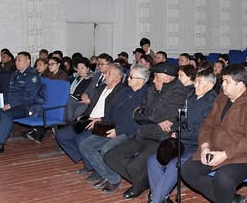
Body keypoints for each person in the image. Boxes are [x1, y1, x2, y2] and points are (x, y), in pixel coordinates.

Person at [181, 64, 247, 203]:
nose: (222, 85)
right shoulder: (221, 99)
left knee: (223, 177)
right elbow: (207, 125)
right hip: (217, 149)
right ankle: (231, 199)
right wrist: (205, 146)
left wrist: (225, 154)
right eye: (222, 81)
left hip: (246, 156)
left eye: (227, 82)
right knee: (188, 170)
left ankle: (226, 198)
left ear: (240, 84)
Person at [104, 61, 187, 199]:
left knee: (133, 166)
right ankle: (144, 182)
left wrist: (150, 115)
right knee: (110, 157)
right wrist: (155, 118)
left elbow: (154, 114)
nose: (153, 80)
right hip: (142, 134)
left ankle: (138, 186)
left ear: (167, 78)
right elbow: (136, 114)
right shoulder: (153, 88)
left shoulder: (178, 92)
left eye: (156, 76)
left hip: (160, 138)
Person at [147, 68, 217, 203]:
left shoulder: (213, 103)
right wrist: (174, 130)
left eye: (199, 82)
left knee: (174, 165)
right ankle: (162, 198)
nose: (195, 85)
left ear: (210, 85)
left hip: (197, 145)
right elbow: (179, 118)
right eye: (195, 81)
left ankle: (155, 199)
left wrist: (179, 133)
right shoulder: (191, 97)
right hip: (181, 141)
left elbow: (202, 131)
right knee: (153, 160)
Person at [78, 65, 150, 193]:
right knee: (85, 145)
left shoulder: (146, 97)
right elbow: (111, 111)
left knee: (106, 150)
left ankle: (113, 179)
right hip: (112, 126)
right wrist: (101, 120)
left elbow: (138, 123)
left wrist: (118, 131)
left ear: (141, 80)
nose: (128, 79)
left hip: (129, 132)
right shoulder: (125, 91)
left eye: (131, 77)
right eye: (129, 76)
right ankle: (105, 175)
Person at [54, 64, 127, 178]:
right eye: (105, 73)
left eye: (109, 73)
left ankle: (94, 167)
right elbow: (91, 107)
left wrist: (100, 120)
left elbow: (116, 115)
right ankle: (89, 161)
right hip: (89, 119)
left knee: (81, 139)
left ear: (118, 77)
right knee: (62, 134)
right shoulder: (101, 88)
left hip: (105, 123)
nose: (105, 75)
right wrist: (83, 116)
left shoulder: (122, 92)